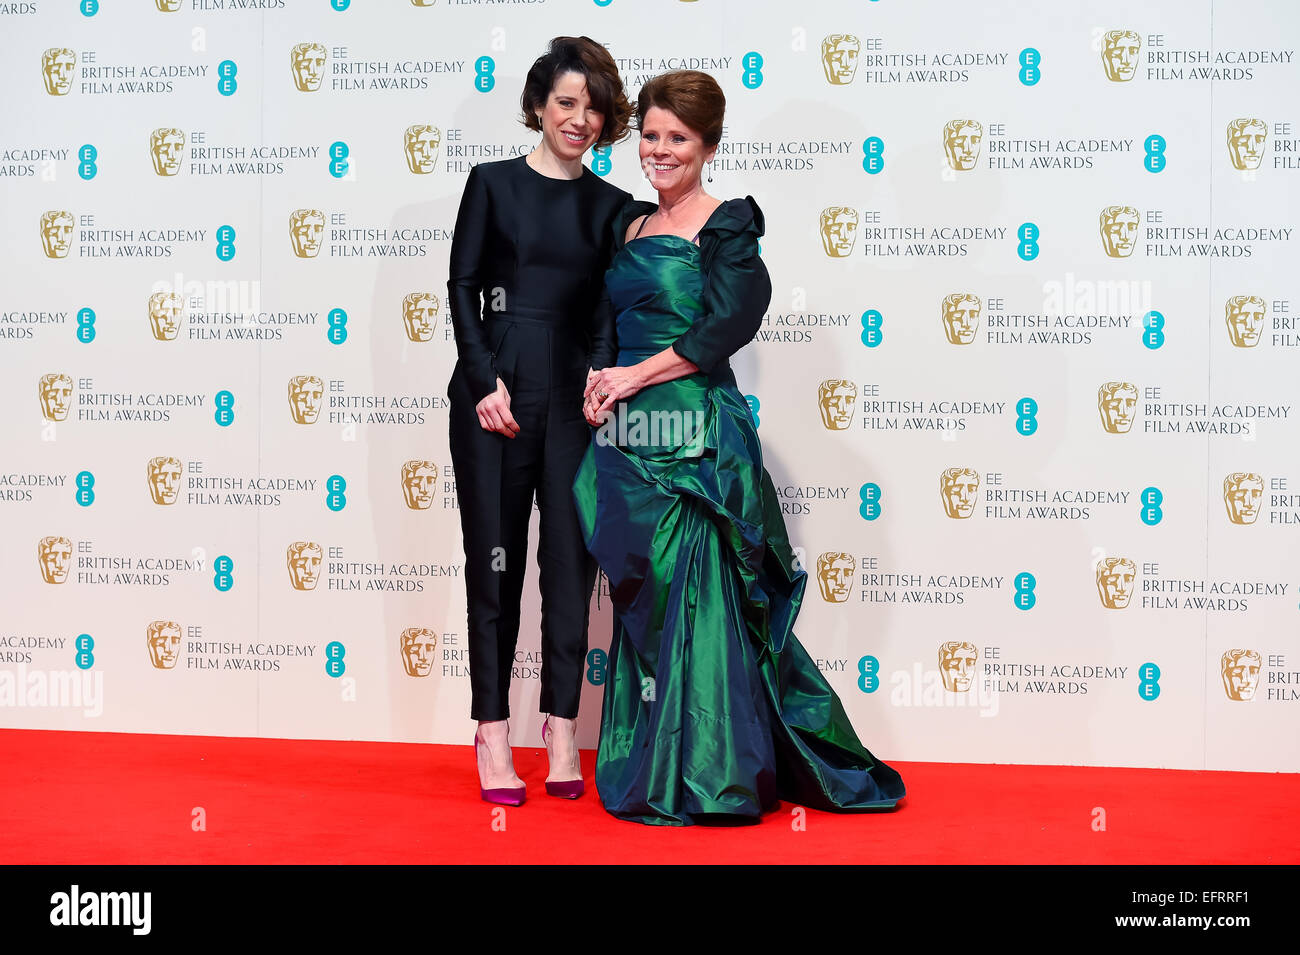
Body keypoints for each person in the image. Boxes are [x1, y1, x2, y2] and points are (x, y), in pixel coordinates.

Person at [576, 70, 905, 825]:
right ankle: (654, 762)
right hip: (628, 440)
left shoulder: (727, 225)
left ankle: (715, 774)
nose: (660, 151)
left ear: (709, 146)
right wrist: (601, 381)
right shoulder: (627, 225)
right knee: (647, 598)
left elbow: (720, 329)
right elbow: (606, 320)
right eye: (651, 136)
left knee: (703, 595)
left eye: (678, 140)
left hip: (696, 435)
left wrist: (632, 376)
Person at [446, 37, 631, 805]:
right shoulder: (491, 184)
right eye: (565, 103)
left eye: (591, 107)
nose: (578, 119)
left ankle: (560, 726)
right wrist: (484, 376)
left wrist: (600, 373)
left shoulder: (613, 207)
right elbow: (462, 285)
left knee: (568, 567)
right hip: (493, 395)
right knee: (496, 566)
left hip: (573, 401)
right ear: (536, 106)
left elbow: (602, 311)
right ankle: (491, 728)